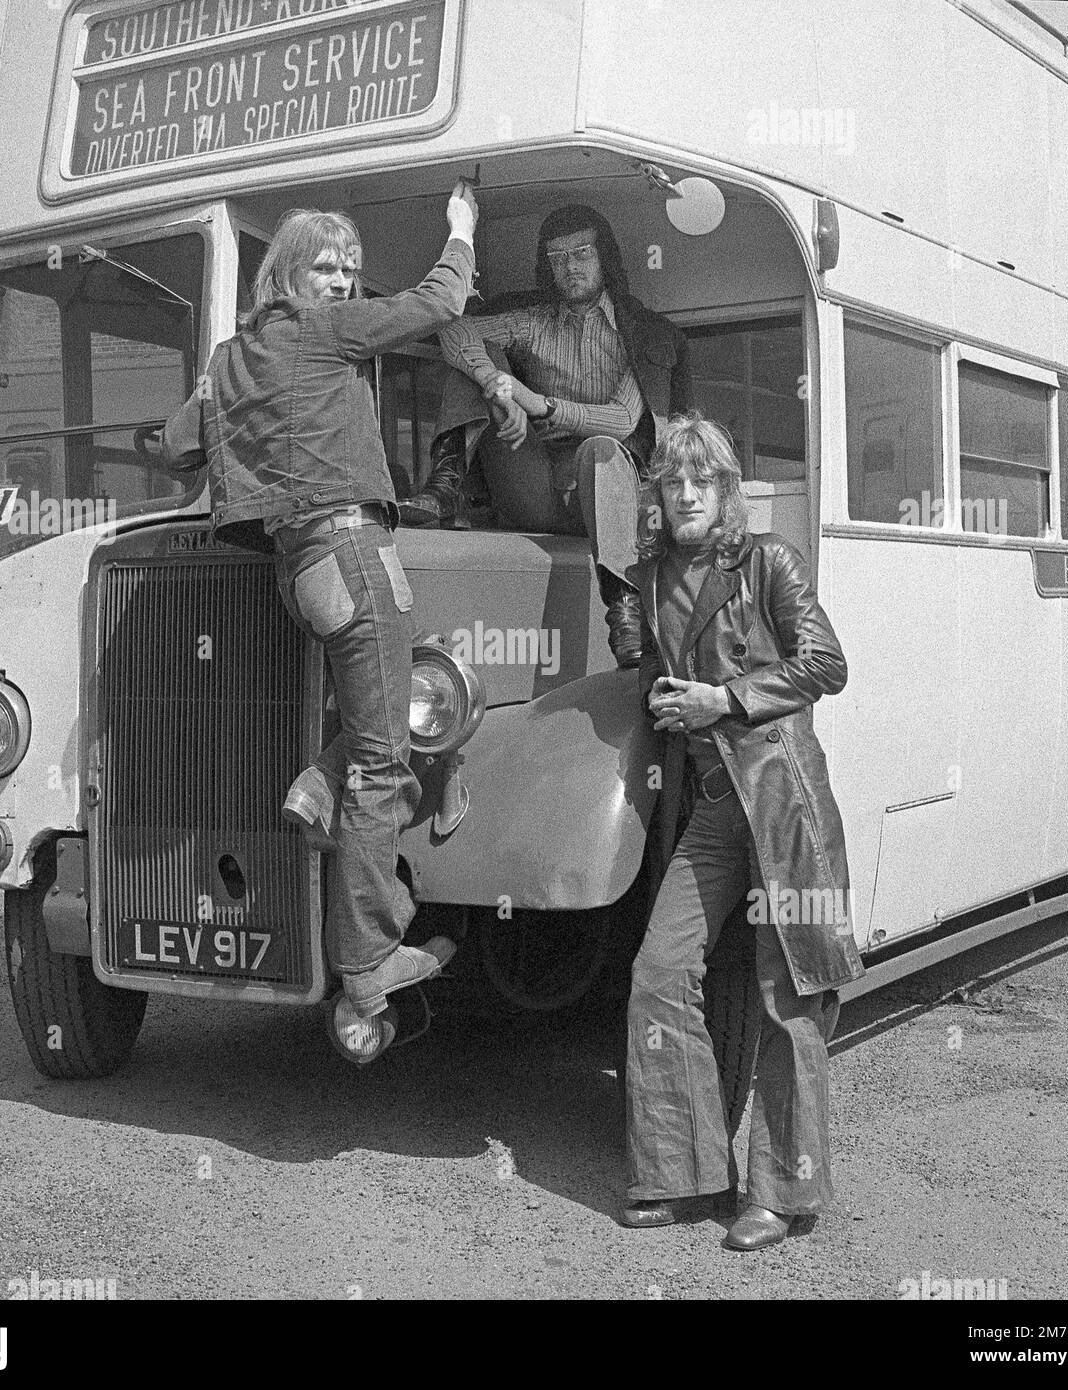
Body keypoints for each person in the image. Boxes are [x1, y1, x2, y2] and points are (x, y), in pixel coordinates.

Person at [160, 183, 480, 1024]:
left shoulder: (232, 357)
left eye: (350, 271)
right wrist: (460, 229)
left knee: (387, 707)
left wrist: (205, 390)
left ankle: (314, 784)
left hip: (297, 574)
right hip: (350, 548)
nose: (342, 283)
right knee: (386, 757)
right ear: (288, 275)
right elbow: (440, 302)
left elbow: (174, 453)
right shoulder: (324, 331)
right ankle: (368, 959)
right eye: (326, 268)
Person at [622, 412, 864, 1249]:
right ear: (657, 493)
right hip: (717, 810)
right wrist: (654, 680)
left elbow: (826, 663)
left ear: (726, 492)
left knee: (788, 992)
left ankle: (780, 1194)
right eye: (672, 481)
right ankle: (684, 1173)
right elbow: (660, 671)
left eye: (703, 481)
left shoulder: (768, 561)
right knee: (658, 970)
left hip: (783, 801)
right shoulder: (650, 575)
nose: (686, 493)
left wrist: (723, 700)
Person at [402, 204, 692, 668]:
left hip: (607, 501)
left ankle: (624, 609)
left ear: (605, 258)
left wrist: (542, 404)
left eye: (581, 253)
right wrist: (499, 390)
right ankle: (444, 488)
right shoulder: (534, 320)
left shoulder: (645, 333)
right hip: (533, 481)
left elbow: (622, 420)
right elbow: (453, 329)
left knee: (600, 450)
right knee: (475, 360)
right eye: (558, 258)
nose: (570, 267)